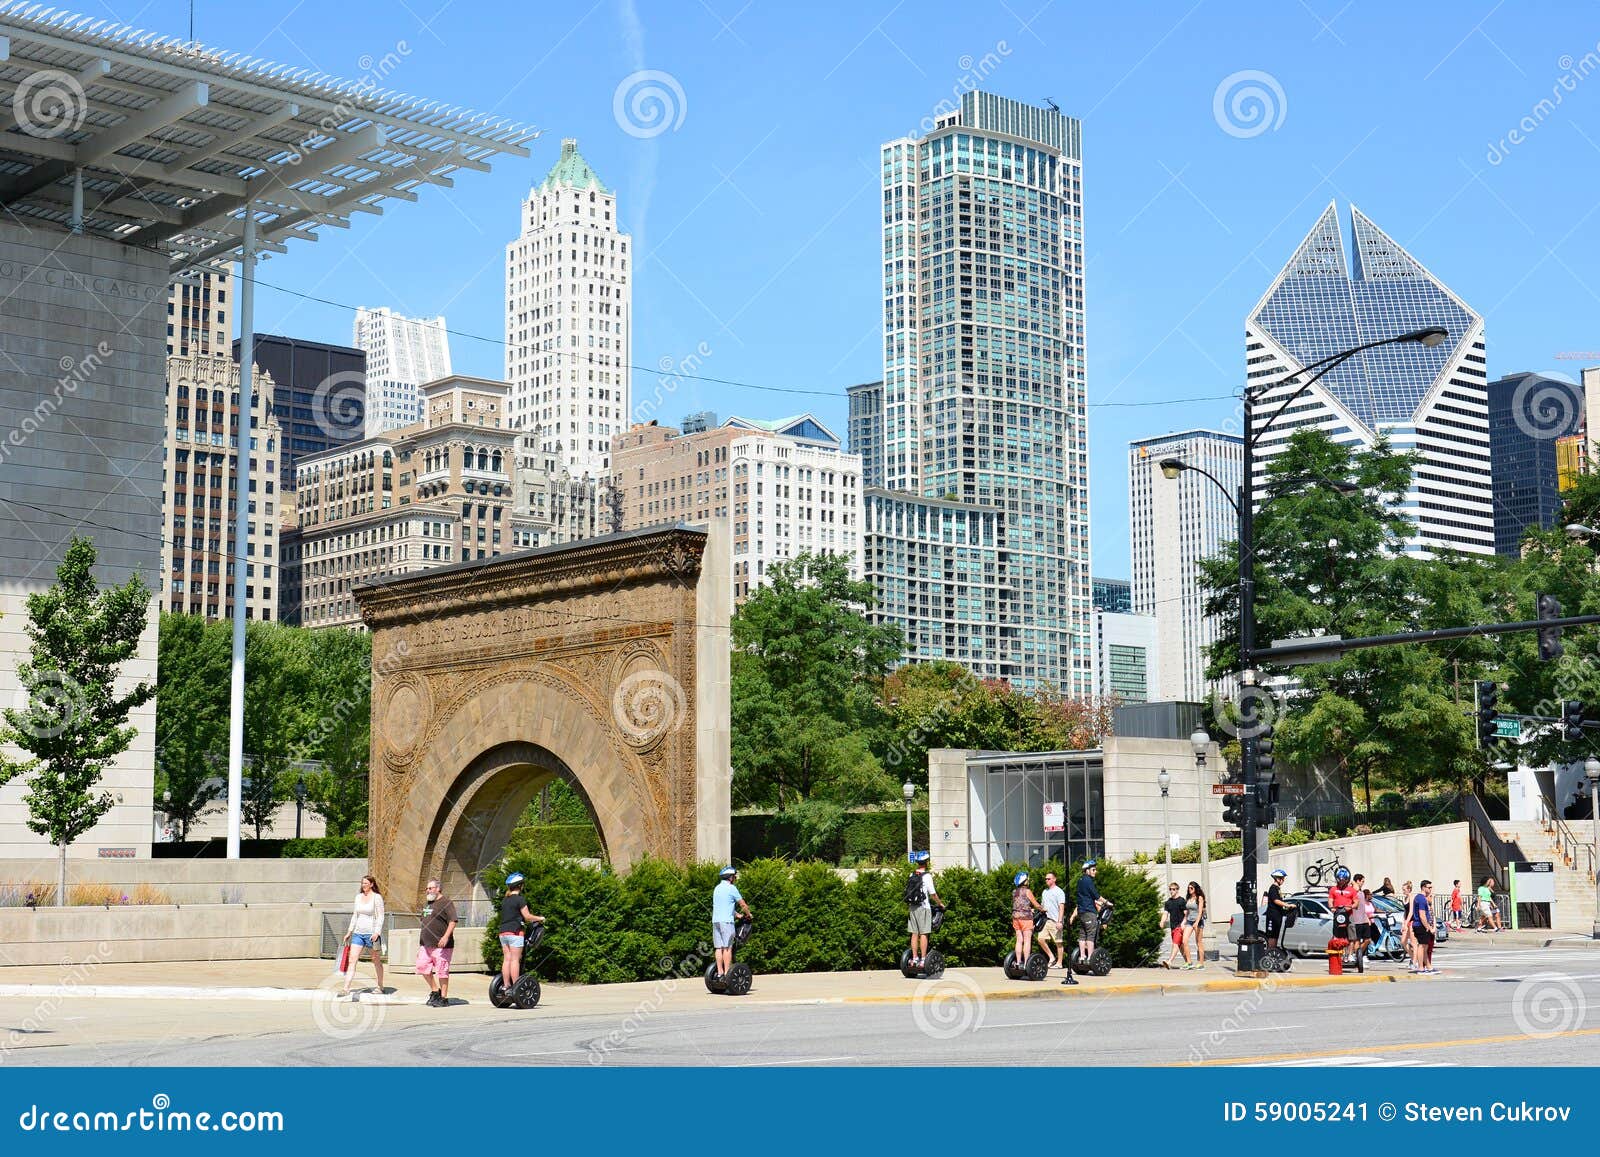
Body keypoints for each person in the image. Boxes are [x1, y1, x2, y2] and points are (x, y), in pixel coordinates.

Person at [497, 872, 546, 993]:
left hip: (503, 933)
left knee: (507, 959)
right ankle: (516, 987)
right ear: (520, 886)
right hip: (515, 933)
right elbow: (527, 916)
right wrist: (540, 918)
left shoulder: (505, 900)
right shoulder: (520, 899)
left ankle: (506, 986)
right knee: (515, 960)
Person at [341, 874, 386, 997]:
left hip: (371, 934)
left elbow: (381, 916)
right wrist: (349, 932)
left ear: (371, 884)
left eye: (366, 883)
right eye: (362, 883)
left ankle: (380, 986)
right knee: (352, 960)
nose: (364, 885)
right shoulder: (358, 897)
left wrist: (377, 932)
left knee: (375, 960)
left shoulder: (377, 897)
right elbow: (355, 915)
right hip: (358, 933)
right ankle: (346, 988)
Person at [416, 878, 457, 1007]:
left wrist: (445, 937)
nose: (428, 890)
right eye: (427, 889)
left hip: (441, 945)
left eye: (430, 888)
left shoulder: (446, 902)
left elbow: (453, 921)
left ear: (438, 888)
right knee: (422, 967)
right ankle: (435, 991)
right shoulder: (428, 903)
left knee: (442, 971)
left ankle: (443, 997)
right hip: (425, 944)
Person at [712, 866, 753, 980]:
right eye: (734, 876)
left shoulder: (717, 888)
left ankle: (719, 973)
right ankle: (727, 974)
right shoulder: (732, 888)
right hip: (727, 922)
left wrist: (737, 915)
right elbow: (743, 905)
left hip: (716, 921)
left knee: (718, 948)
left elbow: (724, 905)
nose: (734, 878)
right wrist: (748, 914)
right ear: (730, 877)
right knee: (727, 948)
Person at [1073, 859, 1108, 981]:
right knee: (1091, 936)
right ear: (1087, 870)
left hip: (1081, 912)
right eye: (1093, 869)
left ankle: (1082, 957)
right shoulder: (1088, 881)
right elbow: (1096, 895)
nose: (1095, 871)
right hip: (1089, 912)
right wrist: (1107, 902)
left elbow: (1086, 896)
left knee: (1082, 935)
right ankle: (1090, 958)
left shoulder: (1080, 880)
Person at [905, 852, 940, 969]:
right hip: (923, 907)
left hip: (912, 907)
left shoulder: (912, 874)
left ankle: (914, 959)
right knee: (924, 933)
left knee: (914, 933)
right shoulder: (927, 876)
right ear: (927, 862)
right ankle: (923, 960)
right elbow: (933, 894)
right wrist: (940, 904)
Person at [1325, 867, 1358, 960]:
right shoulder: (1333, 889)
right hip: (1338, 914)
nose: (1341, 881)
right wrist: (1331, 907)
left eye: (1343, 880)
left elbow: (1356, 902)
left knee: (1351, 936)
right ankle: (1339, 954)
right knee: (1337, 935)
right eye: (1340, 879)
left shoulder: (1351, 890)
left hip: (1349, 914)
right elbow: (1330, 900)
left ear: (1347, 879)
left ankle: (1350, 954)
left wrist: (1351, 906)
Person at [1037, 871, 1068, 969]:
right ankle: (1051, 957)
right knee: (1040, 939)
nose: (1046, 880)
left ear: (1054, 879)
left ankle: (1059, 963)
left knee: (1058, 942)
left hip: (1056, 921)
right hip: (1046, 920)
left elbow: (1061, 907)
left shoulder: (1059, 891)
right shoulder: (1044, 892)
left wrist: (1060, 921)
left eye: (1048, 878)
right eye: (1046, 879)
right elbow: (1043, 906)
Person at [1161, 881, 1191, 969]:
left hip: (1180, 926)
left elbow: (1187, 913)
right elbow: (1165, 913)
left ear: (1177, 890)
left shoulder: (1182, 901)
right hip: (1173, 927)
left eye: (1173, 889)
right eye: (1170, 889)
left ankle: (1169, 961)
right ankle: (1188, 962)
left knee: (1175, 944)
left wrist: (1183, 923)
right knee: (1180, 946)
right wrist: (1162, 921)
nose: (1171, 891)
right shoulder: (1168, 902)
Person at [1263, 868, 1293, 954]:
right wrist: (1287, 905)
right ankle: (1269, 954)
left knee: (1275, 935)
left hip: (1277, 916)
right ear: (1277, 879)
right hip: (1272, 916)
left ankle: (1273, 953)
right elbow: (1276, 900)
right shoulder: (1273, 888)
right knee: (1272, 935)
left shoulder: (1277, 888)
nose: (1283, 880)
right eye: (1282, 878)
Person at [1410, 879, 1437, 973]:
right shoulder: (1421, 898)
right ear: (1423, 887)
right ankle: (1421, 967)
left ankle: (1428, 967)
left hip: (1420, 925)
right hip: (1420, 925)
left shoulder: (1420, 898)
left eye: (1431, 887)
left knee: (1425, 947)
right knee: (1422, 946)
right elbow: (1422, 915)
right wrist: (1428, 927)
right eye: (1429, 887)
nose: (1430, 889)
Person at [1182, 881, 1207, 969]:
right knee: (1184, 940)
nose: (1189, 890)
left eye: (1191, 888)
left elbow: (1200, 911)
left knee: (1198, 942)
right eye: (1189, 888)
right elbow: (1187, 911)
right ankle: (1189, 962)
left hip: (1198, 922)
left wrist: (1196, 922)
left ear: (1195, 889)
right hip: (1189, 921)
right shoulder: (1188, 898)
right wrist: (1184, 921)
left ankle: (1201, 963)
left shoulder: (1199, 898)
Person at [1348, 873, 1369, 972]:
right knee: (1357, 940)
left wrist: (1367, 918)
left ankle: (1358, 955)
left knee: (1367, 940)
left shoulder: (1361, 892)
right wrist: (1353, 882)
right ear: (1357, 881)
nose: (1363, 883)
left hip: (1363, 919)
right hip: (1356, 920)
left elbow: (1363, 907)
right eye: (1362, 881)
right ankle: (1358, 958)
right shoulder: (1353, 890)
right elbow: (1353, 887)